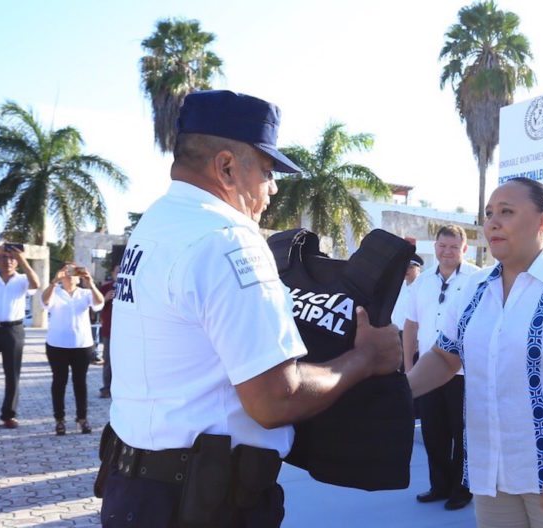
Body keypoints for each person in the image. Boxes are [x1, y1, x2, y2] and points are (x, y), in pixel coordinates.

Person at [100, 90, 401, 527]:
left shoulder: (158, 222)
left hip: (135, 490)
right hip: (201, 505)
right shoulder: (228, 240)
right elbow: (274, 400)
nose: (272, 188)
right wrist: (367, 358)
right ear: (226, 167)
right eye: (266, 171)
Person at [408, 178, 543, 527]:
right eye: (489, 214)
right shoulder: (475, 288)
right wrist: (399, 393)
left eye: (507, 212)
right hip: (493, 475)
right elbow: (444, 357)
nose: (493, 222)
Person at [403, 225, 479, 511]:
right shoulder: (422, 282)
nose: (447, 252)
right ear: (435, 247)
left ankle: (463, 488)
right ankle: (439, 485)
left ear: (464, 249)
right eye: (442, 246)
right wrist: (409, 367)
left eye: (453, 247)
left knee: (462, 433)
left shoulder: (477, 279)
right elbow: (411, 325)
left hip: (463, 373)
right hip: (429, 371)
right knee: (433, 432)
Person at [41, 263, 105, 435]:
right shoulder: (55, 291)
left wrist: (91, 284)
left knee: (80, 382)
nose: (70, 274)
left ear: (79, 277)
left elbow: (99, 304)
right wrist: (54, 282)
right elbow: (44, 302)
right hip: (57, 345)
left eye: (73, 271)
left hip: (82, 345)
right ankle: (59, 419)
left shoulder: (85, 293)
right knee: (59, 382)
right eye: (66, 271)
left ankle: (82, 418)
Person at [0, 244, 39, 428]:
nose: (8, 261)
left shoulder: (22, 279)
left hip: (13, 330)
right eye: (4, 257)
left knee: (12, 374)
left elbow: (36, 284)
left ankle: (9, 414)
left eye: (12, 258)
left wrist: (22, 258)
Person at [97, 265, 119, 399]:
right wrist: (105, 299)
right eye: (117, 271)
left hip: (127, 333)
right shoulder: (105, 288)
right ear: (112, 273)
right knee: (108, 360)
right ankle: (107, 387)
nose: (120, 274)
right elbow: (95, 307)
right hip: (109, 331)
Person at [390, 254, 423, 331]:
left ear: (418, 269)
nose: (406, 270)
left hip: (414, 333)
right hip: (396, 331)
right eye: (404, 266)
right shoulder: (399, 286)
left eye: (410, 267)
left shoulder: (423, 287)